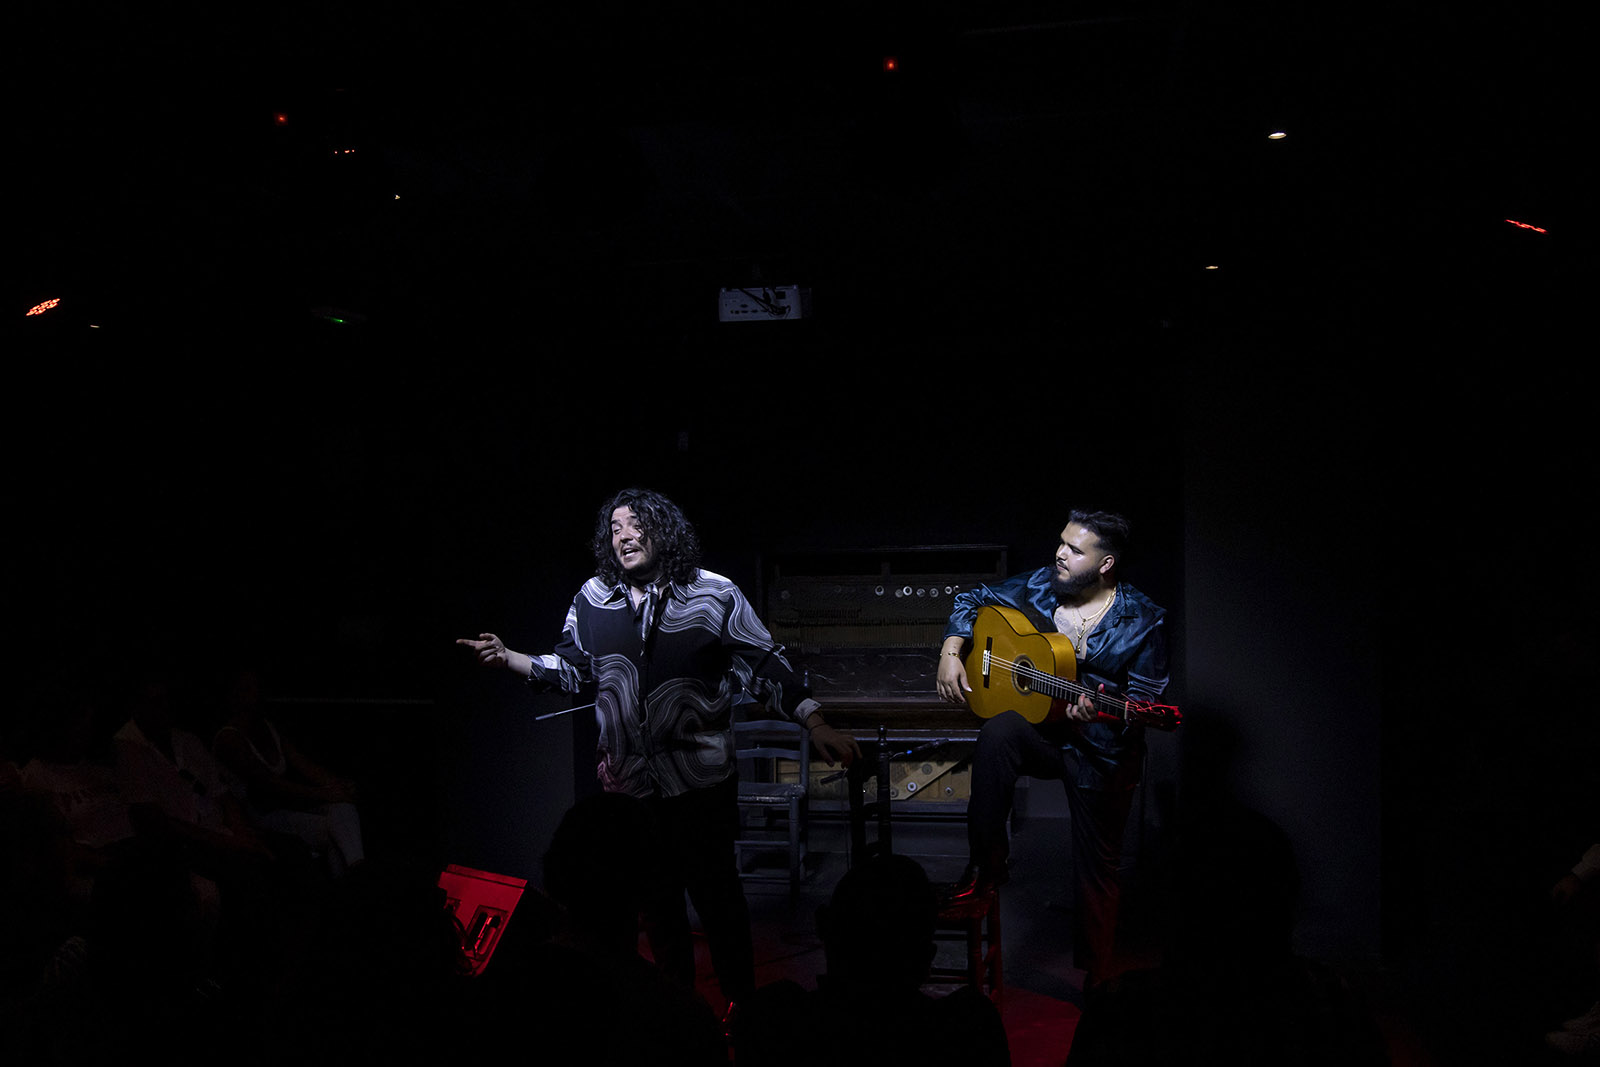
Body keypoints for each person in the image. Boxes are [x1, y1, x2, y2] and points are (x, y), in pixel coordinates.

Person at [457, 487, 859, 1008]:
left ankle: (745, 1016)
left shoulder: (715, 594)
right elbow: (571, 669)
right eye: (615, 529)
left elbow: (764, 663)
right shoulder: (593, 597)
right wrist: (507, 657)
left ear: (662, 529)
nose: (623, 536)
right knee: (658, 914)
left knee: (720, 908)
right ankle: (676, 1022)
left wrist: (816, 723)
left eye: (634, 525)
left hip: (700, 786)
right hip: (630, 792)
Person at [935, 509, 1170, 991]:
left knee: (1097, 870)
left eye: (1075, 549)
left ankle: (1097, 979)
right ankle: (988, 864)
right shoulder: (1042, 584)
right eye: (1061, 543)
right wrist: (951, 650)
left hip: (1101, 751)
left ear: (1105, 564)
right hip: (1046, 735)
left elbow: (1146, 700)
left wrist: (1104, 711)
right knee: (999, 731)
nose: (1060, 554)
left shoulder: (1142, 620)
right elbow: (972, 596)